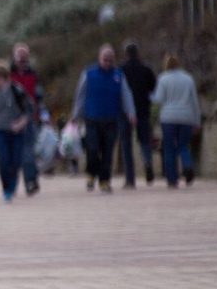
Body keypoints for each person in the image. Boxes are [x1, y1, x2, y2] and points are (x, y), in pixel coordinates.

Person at [70, 43, 137, 193]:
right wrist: (75, 114)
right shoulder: (88, 73)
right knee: (92, 149)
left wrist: (130, 113)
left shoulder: (118, 76)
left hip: (111, 119)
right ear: (99, 58)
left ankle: (105, 180)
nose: (107, 63)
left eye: (110, 60)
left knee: (108, 151)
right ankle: (91, 173)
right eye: (105, 59)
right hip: (92, 118)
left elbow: (126, 95)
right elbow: (80, 95)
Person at [0, 62, 36, 201]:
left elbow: (30, 109)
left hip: (16, 132)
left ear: (1, 78)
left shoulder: (17, 91)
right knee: (3, 161)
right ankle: (6, 189)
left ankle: (13, 184)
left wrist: (21, 123)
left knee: (15, 161)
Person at [151, 54, 202, 187]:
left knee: (168, 148)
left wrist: (150, 96)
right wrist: (197, 121)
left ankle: (172, 178)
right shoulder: (188, 78)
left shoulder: (163, 78)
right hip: (186, 117)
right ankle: (187, 166)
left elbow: (158, 99)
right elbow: (194, 101)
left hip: (168, 117)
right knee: (183, 146)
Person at [118, 41, 158, 188]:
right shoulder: (146, 70)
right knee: (145, 141)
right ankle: (147, 162)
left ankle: (130, 178)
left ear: (126, 53)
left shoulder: (121, 70)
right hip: (143, 109)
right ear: (138, 52)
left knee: (126, 144)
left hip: (125, 112)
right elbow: (154, 88)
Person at [9, 44, 46, 195]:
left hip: (30, 118)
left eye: (25, 60)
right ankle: (12, 185)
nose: (23, 63)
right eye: (20, 59)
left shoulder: (33, 75)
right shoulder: (8, 75)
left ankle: (31, 181)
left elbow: (39, 98)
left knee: (28, 152)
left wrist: (44, 116)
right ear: (14, 58)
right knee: (13, 155)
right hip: (11, 119)